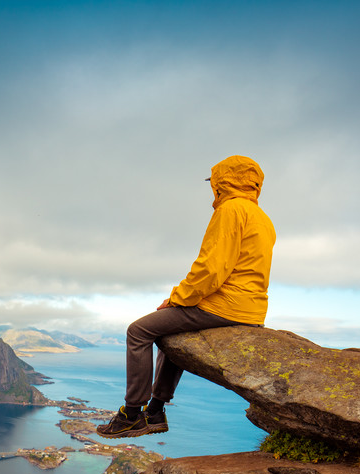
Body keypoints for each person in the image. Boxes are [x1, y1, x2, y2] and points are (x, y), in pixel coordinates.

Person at [96, 155, 276, 439]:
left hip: (224, 305)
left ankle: (132, 415)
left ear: (222, 182)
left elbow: (212, 268)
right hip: (251, 310)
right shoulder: (263, 219)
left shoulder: (230, 210)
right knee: (173, 332)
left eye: (213, 183)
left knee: (139, 331)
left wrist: (178, 298)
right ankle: (155, 411)